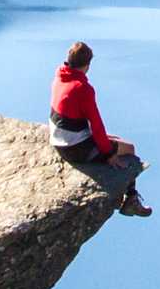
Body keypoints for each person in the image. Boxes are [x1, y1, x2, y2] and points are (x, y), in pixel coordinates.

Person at [49, 40, 152, 217]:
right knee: (129, 148)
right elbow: (96, 125)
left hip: (59, 141)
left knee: (113, 139)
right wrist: (109, 155)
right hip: (75, 149)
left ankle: (129, 199)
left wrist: (105, 141)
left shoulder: (60, 77)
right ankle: (131, 200)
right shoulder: (83, 88)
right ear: (88, 64)